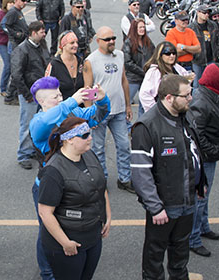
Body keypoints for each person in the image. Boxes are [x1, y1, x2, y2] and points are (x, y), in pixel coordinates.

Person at [29, 76, 110, 280]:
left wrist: (102, 100)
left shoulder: (70, 112)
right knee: (48, 231)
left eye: (60, 94)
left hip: (76, 181)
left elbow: (96, 115)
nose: (60, 98)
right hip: (50, 184)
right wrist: (73, 100)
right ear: (42, 101)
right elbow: (50, 119)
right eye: (55, 96)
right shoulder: (38, 122)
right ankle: (47, 272)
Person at [131, 74, 206, 280]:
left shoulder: (185, 117)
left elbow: (193, 154)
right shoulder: (146, 126)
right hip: (164, 206)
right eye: (186, 95)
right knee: (155, 256)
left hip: (187, 200)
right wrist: (155, 207)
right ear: (169, 97)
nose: (191, 98)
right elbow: (140, 173)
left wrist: (200, 185)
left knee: (180, 252)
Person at [83, 26, 134, 193]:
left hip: (119, 111)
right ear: (98, 41)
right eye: (107, 39)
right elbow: (87, 89)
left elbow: (124, 80)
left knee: (124, 145)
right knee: (98, 149)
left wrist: (128, 105)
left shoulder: (120, 55)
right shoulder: (91, 61)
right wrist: (90, 115)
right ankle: (101, 180)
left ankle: (125, 179)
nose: (111, 41)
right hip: (100, 112)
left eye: (113, 38)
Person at [188, 63, 219, 257]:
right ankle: (193, 238)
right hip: (205, 157)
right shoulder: (202, 100)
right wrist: (213, 150)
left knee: (204, 197)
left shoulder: (209, 94)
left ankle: (204, 227)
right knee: (200, 197)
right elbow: (197, 134)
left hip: (210, 155)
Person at [11, 21, 50, 170]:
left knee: (38, 123)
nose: (44, 34)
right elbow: (16, 74)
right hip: (30, 93)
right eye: (41, 32)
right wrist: (27, 94)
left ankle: (33, 149)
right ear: (33, 33)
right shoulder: (22, 50)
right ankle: (23, 154)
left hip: (41, 92)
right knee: (27, 124)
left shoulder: (41, 46)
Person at [139, 41, 189, 113]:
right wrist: (155, 111)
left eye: (174, 53)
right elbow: (144, 94)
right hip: (163, 112)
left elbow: (185, 83)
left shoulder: (177, 68)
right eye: (167, 53)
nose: (171, 56)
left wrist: (188, 80)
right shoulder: (154, 72)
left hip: (177, 111)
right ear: (160, 55)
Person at [121, 18, 155, 115]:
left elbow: (154, 54)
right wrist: (142, 71)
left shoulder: (147, 41)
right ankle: (126, 127)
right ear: (134, 28)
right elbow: (127, 62)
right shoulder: (128, 42)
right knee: (126, 103)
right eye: (140, 27)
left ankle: (141, 127)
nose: (142, 29)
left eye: (143, 27)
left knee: (144, 105)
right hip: (133, 78)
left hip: (146, 77)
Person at [45, 31, 85, 100]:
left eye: (76, 42)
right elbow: (46, 88)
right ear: (63, 45)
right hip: (62, 107)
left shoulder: (81, 61)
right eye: (72, 43)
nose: (76, 45)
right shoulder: (54, 64)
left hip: (80, 108)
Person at [3, 0, 28, 105]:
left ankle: (15, 94)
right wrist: (16, 34)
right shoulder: (13, 12)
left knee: (20, 70)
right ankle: (9, 96)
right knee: (16, 71)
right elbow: (4, 25)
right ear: (16, 1)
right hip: (15, 45)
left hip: (21, 43)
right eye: (23, 1)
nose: (25, 3)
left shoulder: (19, 11)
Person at [188, 5, 219, 91]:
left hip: (211, 59)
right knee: (197, 85)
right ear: (198, 12)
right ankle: (195, 103)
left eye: (208, 13)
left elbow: (217, 41)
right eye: (204, 12)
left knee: (211, 84)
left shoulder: (213, 25)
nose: (206, 15)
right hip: (198, 61)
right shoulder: (191, 28)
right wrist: (193, 57)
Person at [0, 0, 15, 96]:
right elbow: (0, 29)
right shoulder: (1, 15)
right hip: (3, 43)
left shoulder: (14, 13)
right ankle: (3, 88)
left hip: (12, 43)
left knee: (13, 66)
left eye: (13, 3)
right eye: (10, 3)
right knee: (8, 65)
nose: (12, 5)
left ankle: (11, 87)